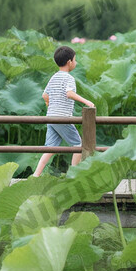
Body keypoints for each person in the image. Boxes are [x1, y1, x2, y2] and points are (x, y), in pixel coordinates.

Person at [32, 45, 95, 177]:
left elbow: (45, 95)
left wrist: (49, 105)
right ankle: (73, 174)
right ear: (69, 62)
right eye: (75, 60)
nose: (76, 63)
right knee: (78, 145)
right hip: (62, 117)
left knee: (50, 148)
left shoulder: (54, 77)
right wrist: (86, 102)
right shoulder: (69, 78)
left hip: (51, 117)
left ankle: (36, 175)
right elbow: (69, 93)